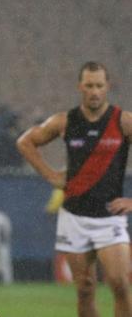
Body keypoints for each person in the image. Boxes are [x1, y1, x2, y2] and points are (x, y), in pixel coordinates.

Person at [17, 61, 132, 317]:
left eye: (99, 85)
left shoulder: (123, 121)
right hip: (74, 217)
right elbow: (25, 142)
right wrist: (51, 175)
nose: (94, 91)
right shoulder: (65, 121)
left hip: (109, 217)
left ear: (107, 87)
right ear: (81, 86)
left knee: (120, 284)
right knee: (85, 288)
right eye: (89, 85)